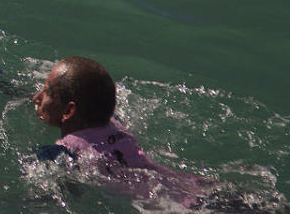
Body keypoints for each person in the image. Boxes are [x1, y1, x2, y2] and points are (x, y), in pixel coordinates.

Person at [32, 56, 209, 206]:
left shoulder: (61, 153)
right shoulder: (114, 122)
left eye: (47, 92)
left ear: (68, 111)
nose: (36, 97)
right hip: (196, 186)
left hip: (176, 207)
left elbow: (51, 196)